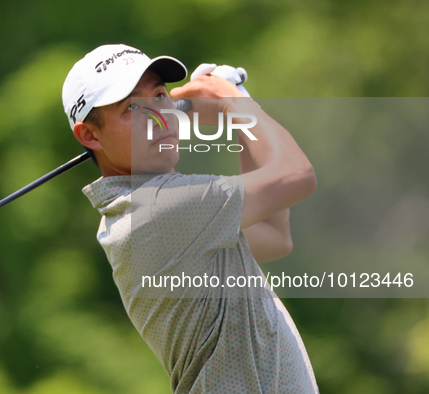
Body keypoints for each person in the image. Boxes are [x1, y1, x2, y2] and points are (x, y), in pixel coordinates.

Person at [62, 44, 319, 394]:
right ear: (90, 135)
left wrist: (237, 114)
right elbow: (298, 175)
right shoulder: (157, 208)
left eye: (159, 95)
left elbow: (274, 235)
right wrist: (235, 102)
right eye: (132, 108)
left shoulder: (156, 213)